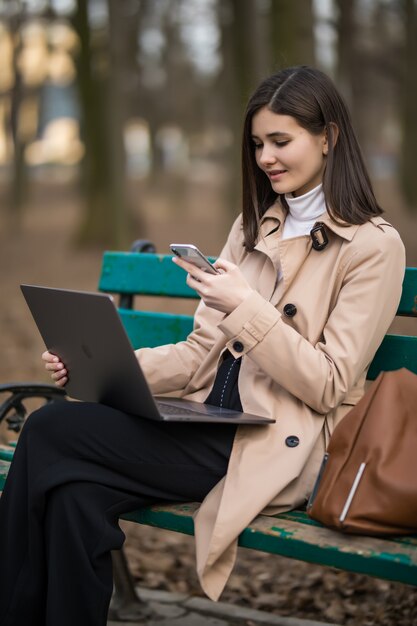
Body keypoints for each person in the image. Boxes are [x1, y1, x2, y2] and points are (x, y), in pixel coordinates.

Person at [0, 65, 405, 626]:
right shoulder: (251, 228)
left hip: (273, 442)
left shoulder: (372, 247)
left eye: (281, 141)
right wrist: (102, 369)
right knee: (75, 494)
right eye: (259, 143)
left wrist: (245, 307)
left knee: (49, 430)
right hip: (205, 419)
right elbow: (197, 354)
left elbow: (329, 383)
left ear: (328, 136)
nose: (266, 157)